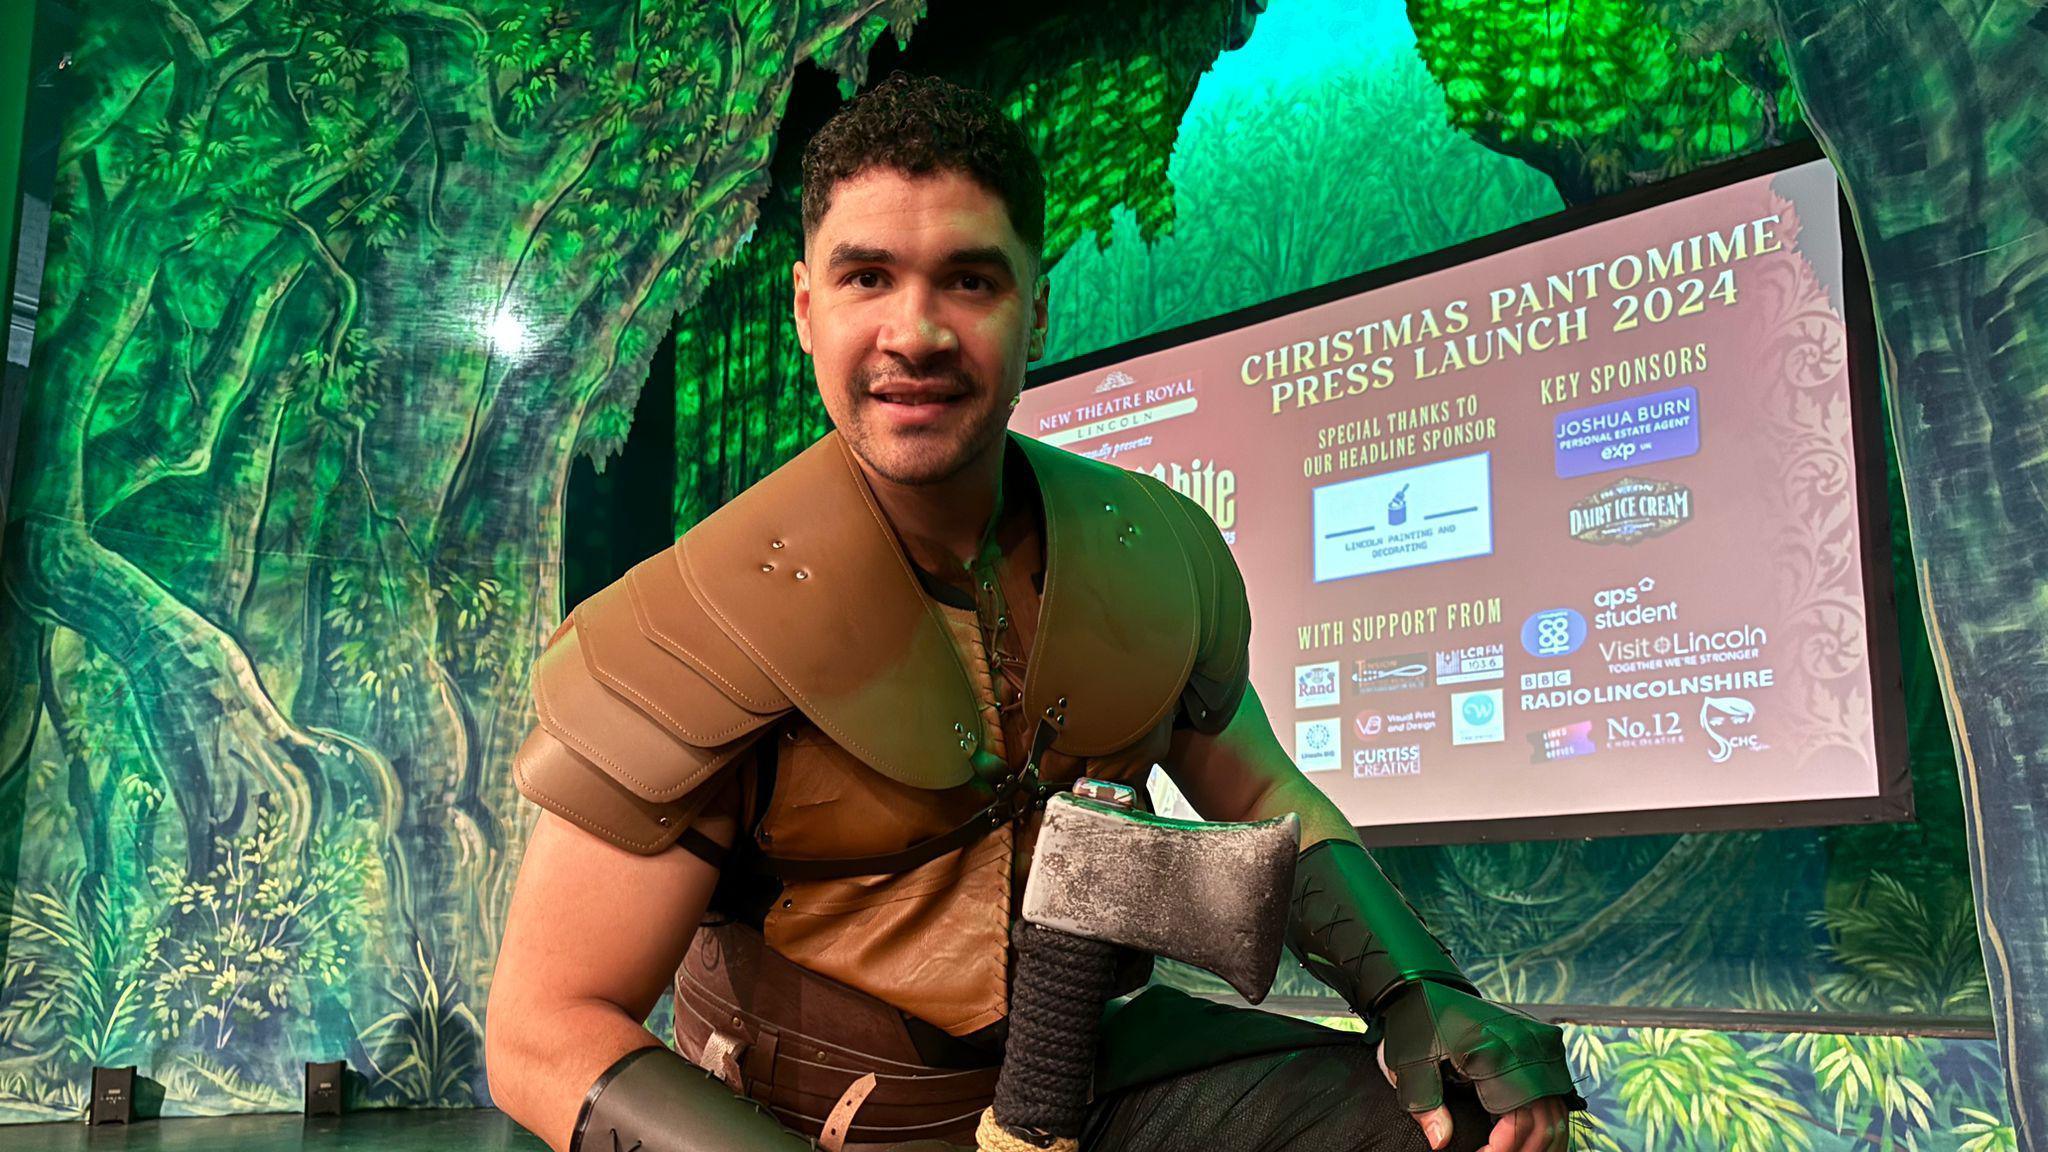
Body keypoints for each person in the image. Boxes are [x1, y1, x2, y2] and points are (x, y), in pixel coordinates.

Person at [486, 72, 1580, 1152]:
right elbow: (541, 1032)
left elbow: (1255, 790)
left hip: (1093, 1074)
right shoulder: (687, 621)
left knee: (1477, 1129)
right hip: (820, 1120)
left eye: (968, 280)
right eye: (867, 277)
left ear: (1035, 309)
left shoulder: (1151, 549)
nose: (914, 332)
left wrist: (1413, 989)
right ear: (804, 308)